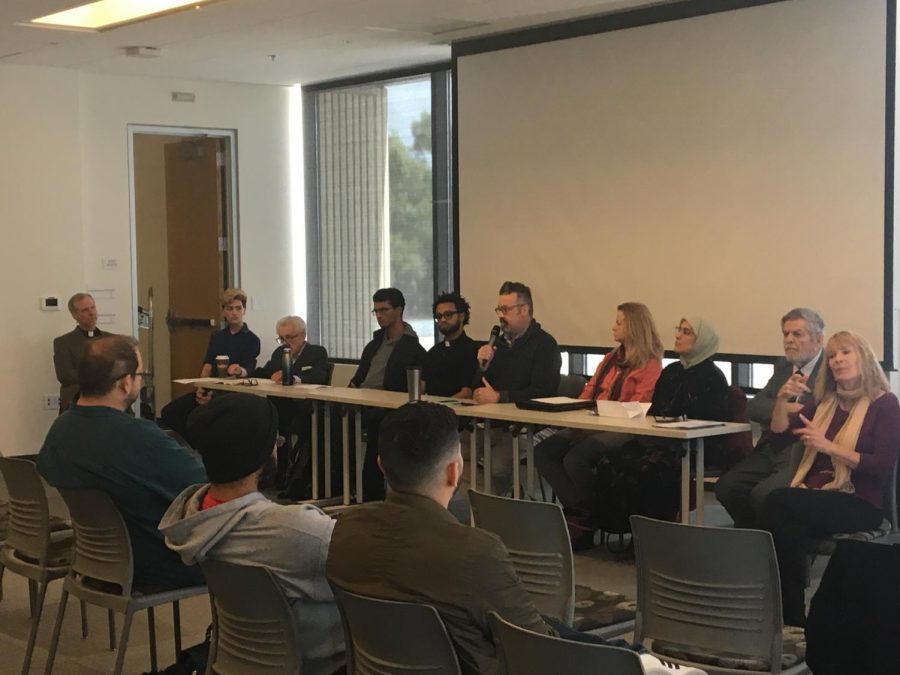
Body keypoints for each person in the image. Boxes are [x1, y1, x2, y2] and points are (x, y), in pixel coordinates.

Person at [326, 401, 555, 675]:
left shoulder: (345, 530)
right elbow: (540, 650)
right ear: (454, 471)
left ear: (381, 466)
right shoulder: (475, 552)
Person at [160, 394, 345, 675]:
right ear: (261, 453)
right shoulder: (297, 531)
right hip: (318, 664)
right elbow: (372, 567)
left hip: (235, 661)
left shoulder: (194, 517)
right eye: (275, 441)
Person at [38, 335, 206, 590]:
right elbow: (204, 482)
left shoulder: (60, 429)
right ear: (126, 383)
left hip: (94, 559)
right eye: (140, 375)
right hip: (157, 563)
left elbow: (47, 469)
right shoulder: (139, 437)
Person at [760, 331, 900, 627]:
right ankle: (796, 618)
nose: (837, 360)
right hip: (815, 497)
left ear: (863, 356)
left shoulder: (884, 404)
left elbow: (882, 466)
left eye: (845, 352)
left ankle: (792, 615)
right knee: (786, 522)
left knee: (777, 503)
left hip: (859, 502)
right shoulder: (826, 401)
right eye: (833, 355)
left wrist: (829, 447)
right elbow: (780, 436)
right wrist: (782, 400)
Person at [592, 317, 730, 533]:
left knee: (648, 468)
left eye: (686, 332)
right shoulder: (672, 371)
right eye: (679, 329)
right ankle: (621, 527)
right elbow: (656, 409)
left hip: (695, 445)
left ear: (702, 340)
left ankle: (655, 532)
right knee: (610, 460)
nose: (678, 335)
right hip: (663, 438)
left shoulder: (713, 377)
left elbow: (709, 420)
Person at [534, 302, 663, 524]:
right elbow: (590, 390)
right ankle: (581, 509)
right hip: (593, 422)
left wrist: (594, 422)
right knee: (544, 451)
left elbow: (639, 406)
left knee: (577, 457)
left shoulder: (650, 364)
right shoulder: (610, 359)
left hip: (625, 429)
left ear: (633, 327)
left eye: (619, 323)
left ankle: (589, 515)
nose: (613, 327)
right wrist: (577, 417)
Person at [716, 308, 824, 528]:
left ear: (818, 339)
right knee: (727, 487)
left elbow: (821, 412)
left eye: (797, 334)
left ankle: (772, 542)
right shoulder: (783, 366)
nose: (789, 341)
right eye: (786, 334)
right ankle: (755, 534)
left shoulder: (829, 369)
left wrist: (788, 410)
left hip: (803, 449)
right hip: (771, 445)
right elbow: (755, 407)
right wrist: (787, 407)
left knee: (764, 494)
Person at [472, 281, 561, 494]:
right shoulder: (498, 344)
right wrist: (483, 365)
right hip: (495, 423)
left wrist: (500, 397)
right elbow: (479, 388)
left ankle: (508, 508)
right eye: (498, 310)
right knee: (452, 452)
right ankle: (492, 505)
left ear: (525, 310)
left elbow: (542, 392)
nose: (501, 316)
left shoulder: (545, 345)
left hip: (528, 427)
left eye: (506, 309)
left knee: (496, 465)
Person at [348, 287, 426, 500]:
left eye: (384, 310)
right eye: (376, 311)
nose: (379, 315)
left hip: (388, 408)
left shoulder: (413, 348)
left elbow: (410, 387)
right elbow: (358, 378)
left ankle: (368, 493)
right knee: (323, 421)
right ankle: (338, 486)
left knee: (376, 426)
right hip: (362, 402)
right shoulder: (373, 345)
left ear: (399, 310)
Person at [159, 288, 261, 437]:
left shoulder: (252, 339)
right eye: (230, 308)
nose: (234, 312)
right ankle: (196, 443)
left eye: (238, 308)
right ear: (223, 312)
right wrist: (201, 387)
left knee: (207, 416)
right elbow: (208, 364)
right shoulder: (217, 336)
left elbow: (249, 368)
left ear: (244, 310)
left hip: (233, 392)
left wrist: (239, 371)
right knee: (169, 412)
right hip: (211, 387)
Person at [251, 315, 329, 488]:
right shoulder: (280, 353)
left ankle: (292, 475)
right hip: (280, 405)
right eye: (282, 339)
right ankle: (275, 472)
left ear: (303, 335)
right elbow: (265, 372)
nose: (287, 343)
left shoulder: (316, 352)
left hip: (305, 407)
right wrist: (243, 373)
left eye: (291, 337)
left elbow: (318, 376)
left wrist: (294, 378)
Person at [53, 292, 107, 412]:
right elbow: (65, 375)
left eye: (93, 308)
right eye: (85, 310)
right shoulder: (64, 342)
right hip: (77, 403)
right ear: (74, 315)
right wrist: (98, 376)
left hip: (108, 402)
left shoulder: (111, 340)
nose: (91, 313)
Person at [424, 291, 478, 398]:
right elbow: (422, 386)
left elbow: (467, 393)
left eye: (448, 315)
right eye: (439, 316)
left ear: (462, 316)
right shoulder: (433, 352)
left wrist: (441, 408)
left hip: (457, 411)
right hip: (431, 410)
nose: (443, 320)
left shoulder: (473, 350)